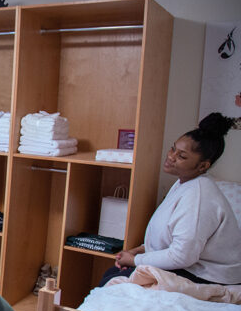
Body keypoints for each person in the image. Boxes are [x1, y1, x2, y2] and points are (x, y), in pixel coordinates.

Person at [101, 112, 241, 287]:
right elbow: (170, 237)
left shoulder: (199, 195)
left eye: (182, 156)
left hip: (210, 276)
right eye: (173, 148)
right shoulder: (184, 183)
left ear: (203, 166)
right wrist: (140, 251)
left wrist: (136, 260)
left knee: (115, 281)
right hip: (190, 266)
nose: (171, 156)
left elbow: (182, 255)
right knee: (112, 274)